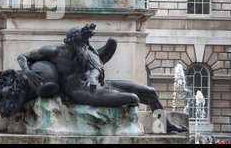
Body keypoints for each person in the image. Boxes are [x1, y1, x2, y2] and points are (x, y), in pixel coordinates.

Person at [17, 23, 188, 133]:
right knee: (133, 98)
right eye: (82, 42)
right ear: (70, 41)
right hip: (81, 92)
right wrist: (27, 72)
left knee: (150, 92)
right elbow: (23, 56)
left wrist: (93, 78)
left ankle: (165, 125)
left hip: (98, 85)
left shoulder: (86, 50)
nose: (86, 45)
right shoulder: (54, 51)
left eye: (86, 42)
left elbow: (96, 68)